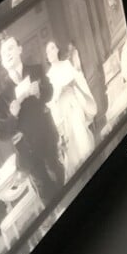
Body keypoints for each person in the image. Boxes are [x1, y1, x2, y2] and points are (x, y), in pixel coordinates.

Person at [0, 36, 64, 204]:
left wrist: (39, 90)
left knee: (62, 181)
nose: (7, 53)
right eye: (4, 52)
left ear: (20, 49)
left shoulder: (36, 70)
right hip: (29, 155)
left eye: (10, 48)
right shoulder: (2, 98)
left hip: (48, 140)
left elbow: (50, 93)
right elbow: (2, 134)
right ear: (2, 62)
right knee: (49, 199)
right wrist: (13, 116)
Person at [45, 40, 97, 181]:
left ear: (57, 50)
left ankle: (92, 166)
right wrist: (59, 92)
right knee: (72, 142)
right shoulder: (48, 76)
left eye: (53, 48)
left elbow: (78, 78)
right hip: (63, 111)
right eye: (48, 51)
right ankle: (83, 175)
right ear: (47, 57)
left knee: (81, 134)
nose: (51, 52)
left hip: (74, 104)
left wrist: (74, 80)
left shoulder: (66, 64)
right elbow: (50, 100)